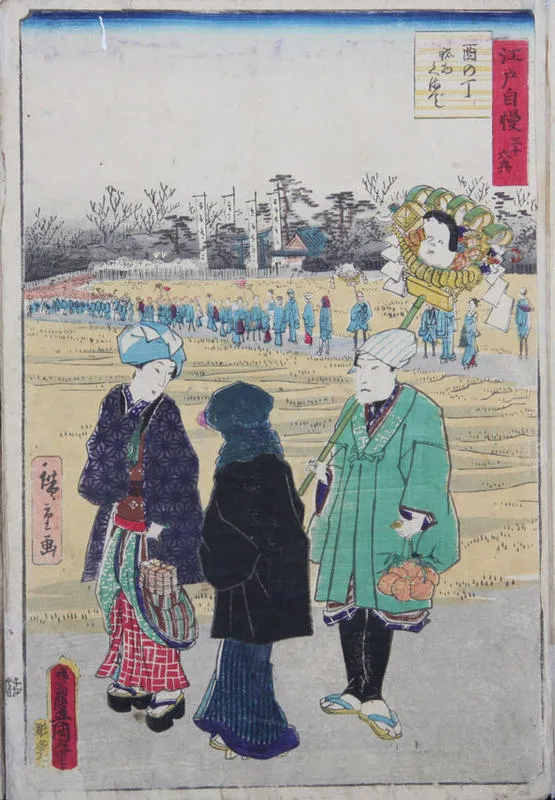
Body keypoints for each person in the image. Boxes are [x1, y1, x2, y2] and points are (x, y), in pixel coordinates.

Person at [308, 329, 459, 741]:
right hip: (349, 521)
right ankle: (353, 688)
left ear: (395, 370)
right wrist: (326, 476)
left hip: (390, 524)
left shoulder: (421, 410)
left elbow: (431, 467)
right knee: (349, 604)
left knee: (378, 606)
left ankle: (374, 695)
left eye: (374, 369)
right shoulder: (351, 409)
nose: (363, 377)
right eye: (359, 368)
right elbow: (339, 457)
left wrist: (419, 516)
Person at [78, 322, 204, 733]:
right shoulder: (115, 401)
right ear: (138, 367)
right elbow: (98, 448)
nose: (162, 379)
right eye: (156, 370)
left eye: (169, 372)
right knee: (115, 597)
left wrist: (161, 521)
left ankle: (168, 688)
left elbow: (182, 469)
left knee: (153, 602)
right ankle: (132, 677)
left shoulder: (165, 411)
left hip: (153, 528)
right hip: (118, 520)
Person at [194, 382, 312, 759]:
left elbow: (224, 524)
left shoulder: (237, 465)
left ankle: (247, 732)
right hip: (269, 575)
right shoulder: (272, 459)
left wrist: (218, 559)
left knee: (243, 653)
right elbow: (291, 515)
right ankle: (235, 726)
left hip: (249, 577)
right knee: (249, 654)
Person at [460, 298, 480, 369]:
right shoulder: (468, 314)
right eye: (470, 304)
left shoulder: (475, 314)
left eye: (472, 304)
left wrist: (476, 331)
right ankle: (465, 362)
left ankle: (471, 362)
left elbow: (475, 324)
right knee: (469, 348)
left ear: (475, 305)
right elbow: (466, 325)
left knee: (473, 348)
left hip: (472, 334)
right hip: (468, 333)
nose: (470, 305)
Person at [515, 287, 533, 359]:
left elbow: (517, 313)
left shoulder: (520, 302)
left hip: (522, 323)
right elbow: (529, 311)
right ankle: (524, 354)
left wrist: (517, 321)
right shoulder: (525, 301)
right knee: (524, 340)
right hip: (524, 323)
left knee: (522, 340)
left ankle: (522, 354)